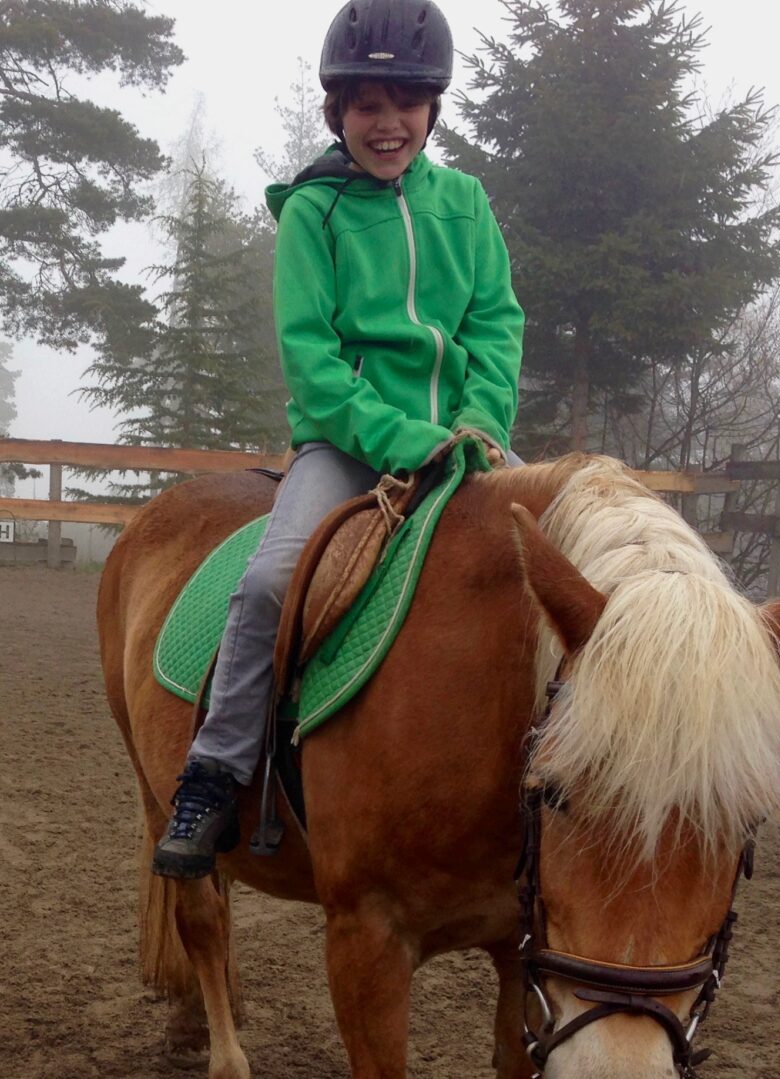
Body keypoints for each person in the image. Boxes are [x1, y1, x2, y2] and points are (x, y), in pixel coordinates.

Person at [152, 0, 524, 878]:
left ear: (432, 108)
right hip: (347, 447)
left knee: (549, 581)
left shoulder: (466, 205)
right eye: (365, 103)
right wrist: (408, 440)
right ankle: (214, 770)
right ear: (337, 112)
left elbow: (497, 324)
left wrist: (478, 425)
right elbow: (314, 365)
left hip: (468, 450)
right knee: (271, 582)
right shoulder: (311, 214)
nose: (386, 121)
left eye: (405, 100)